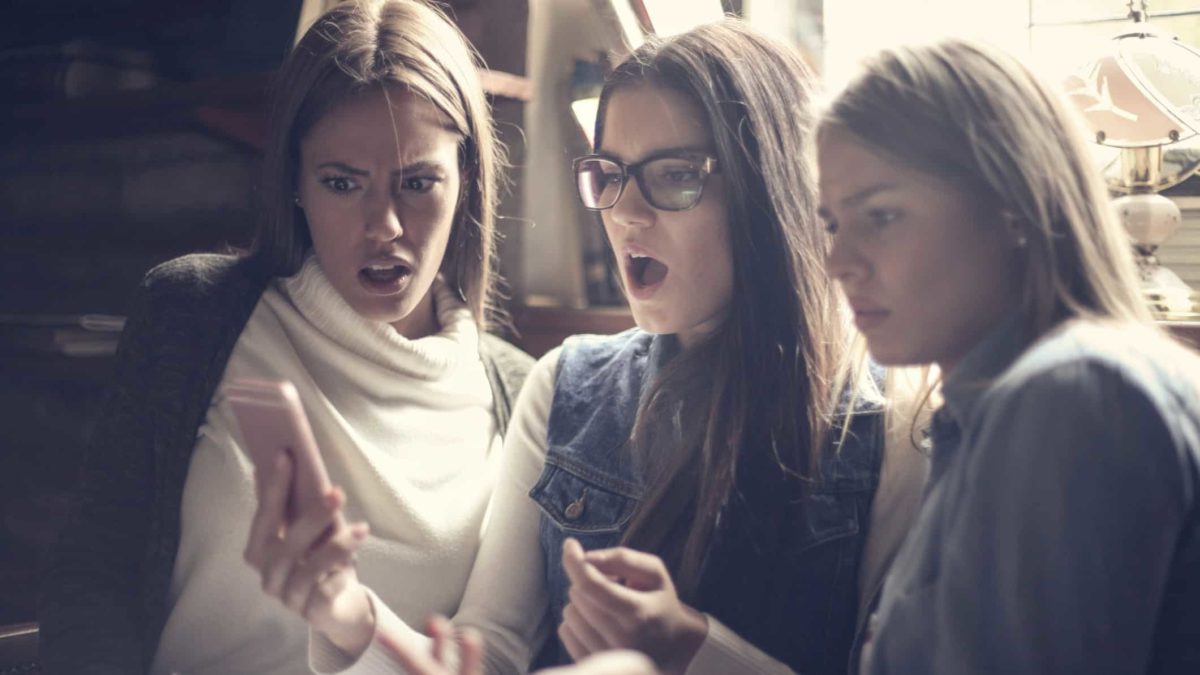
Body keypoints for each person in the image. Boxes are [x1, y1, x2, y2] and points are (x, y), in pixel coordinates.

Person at [252, 19, 930, 675]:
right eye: (611, 172)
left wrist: (692, 648)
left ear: (767, 189)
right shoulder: (566, 385)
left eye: (673, 175)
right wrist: (346, 613)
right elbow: (486, 650)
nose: (627, 213)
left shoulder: (889, 423)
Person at [38, 1, 533, 673]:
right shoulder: (196, 314)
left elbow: (490, 656)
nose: (384, 224)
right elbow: (92, 581)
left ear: (468, 179)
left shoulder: (517, 392)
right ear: (295, 181)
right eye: (341, 182)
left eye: (417, 182)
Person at [816, 38, 1200, 674]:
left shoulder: (1073, 399)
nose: (837, 263)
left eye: (881, 216)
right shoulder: (999, 410)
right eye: (832, 223)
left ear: (1014, 207)